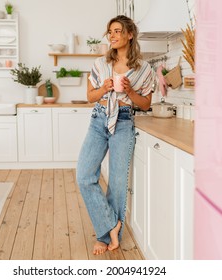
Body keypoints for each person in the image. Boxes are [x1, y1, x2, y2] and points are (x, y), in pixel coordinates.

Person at [76, 15, 154, 255]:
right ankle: (111, 223)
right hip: (99, 119)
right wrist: (104, 88)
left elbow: (144, 104)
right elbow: (90, 97)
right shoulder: (100, 64)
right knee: (84, 175)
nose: (112, 35)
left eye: (118, 31)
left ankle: (106, 236)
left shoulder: (144, 69)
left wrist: (129, 91)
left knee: (117, 184)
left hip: (123, 122)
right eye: (110, 31)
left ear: (130, 34)